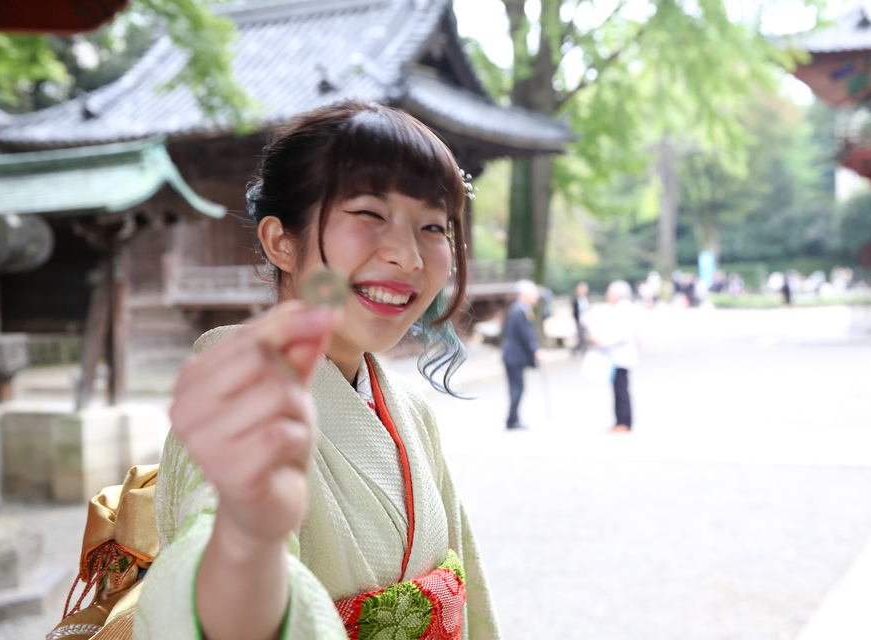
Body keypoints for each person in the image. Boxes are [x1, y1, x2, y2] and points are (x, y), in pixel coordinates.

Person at [129, 101, 502, 640]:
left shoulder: (411, 412)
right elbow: (204, 577)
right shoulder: (243, 402)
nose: (408, 256)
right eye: (370, 214)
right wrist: (247, 541)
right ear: (281, 241)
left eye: (433, 226)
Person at [589, 280, 638, 433]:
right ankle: (619, 421)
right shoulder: (619, 308)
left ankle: (625, 422)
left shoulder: (625, 309)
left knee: (621, 390)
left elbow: (624, 334)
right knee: (617, 390)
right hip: (615, 356)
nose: (608, 295)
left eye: (610, 292)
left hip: (621, 356)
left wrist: (604, 341)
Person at [501, 280, 541, 430]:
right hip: (513, 356)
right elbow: (526, 334)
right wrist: (535, 349)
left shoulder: (519, 309)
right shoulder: (520, 311)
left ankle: (514, 418)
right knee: (517, 388)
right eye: (533, 294)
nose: (535, 297)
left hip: (513, 355)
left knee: (517, 388)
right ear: (524, 295)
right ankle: (512, 420)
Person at [571, 281, 590, 356]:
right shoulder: (577, 299)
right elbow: (575, 313)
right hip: (580, 322)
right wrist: (579, 321)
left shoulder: (585, 299)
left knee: (583, 338)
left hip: (585, 321)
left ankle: (581, 351)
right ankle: (582, 351)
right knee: (582, 338)